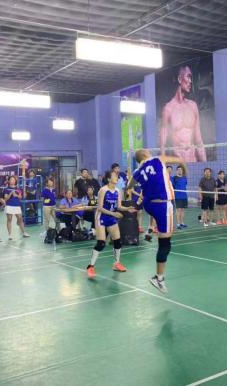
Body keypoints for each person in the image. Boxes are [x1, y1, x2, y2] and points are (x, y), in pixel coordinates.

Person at [126, 149, 186, 293]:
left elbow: (128, 186)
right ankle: (158, 278)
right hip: (162, 205)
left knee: (163, 237)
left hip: (149, 205)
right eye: (148, 151)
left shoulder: (138, 171)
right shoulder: (158, 159)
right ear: (145, 154)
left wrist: (132, 176)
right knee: (165, 244)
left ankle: (150, 229)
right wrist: (185, 171)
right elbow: (180, 160)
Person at [87, 170, 137, 278]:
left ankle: (116, 263)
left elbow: (118, 206)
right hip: (101, 217)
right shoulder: (103, 190)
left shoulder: (118, 191)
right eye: (114, 175)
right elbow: (100, 208)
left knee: (118, 241)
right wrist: (114, 214)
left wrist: (127, 208)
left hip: (111, 217)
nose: (117, 177)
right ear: (109, 179)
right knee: (101, 243)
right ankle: (90, 267)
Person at [159, 65, 207, 162]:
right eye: (188, 77)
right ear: (180, 79)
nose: (190, 81)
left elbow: (199, 140)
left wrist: (205, 165)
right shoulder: (168, 109)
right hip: (178, 162)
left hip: (193, 160)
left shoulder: (193, 106)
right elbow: (162, 144)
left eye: (191, 78)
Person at [4, 175, 29, 239]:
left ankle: (24, 232)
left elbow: (20, 197)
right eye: (11, 180)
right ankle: (10, 235)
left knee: (20, 219)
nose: (12, 181)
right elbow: (6, 198)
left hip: (17, 205)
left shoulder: (18, 189)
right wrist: (10, 194)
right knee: (9, 219)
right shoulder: (6, 189)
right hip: (9, 205)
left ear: (15, 181)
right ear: (9, 181)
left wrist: (16, 195)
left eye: (13, 180)